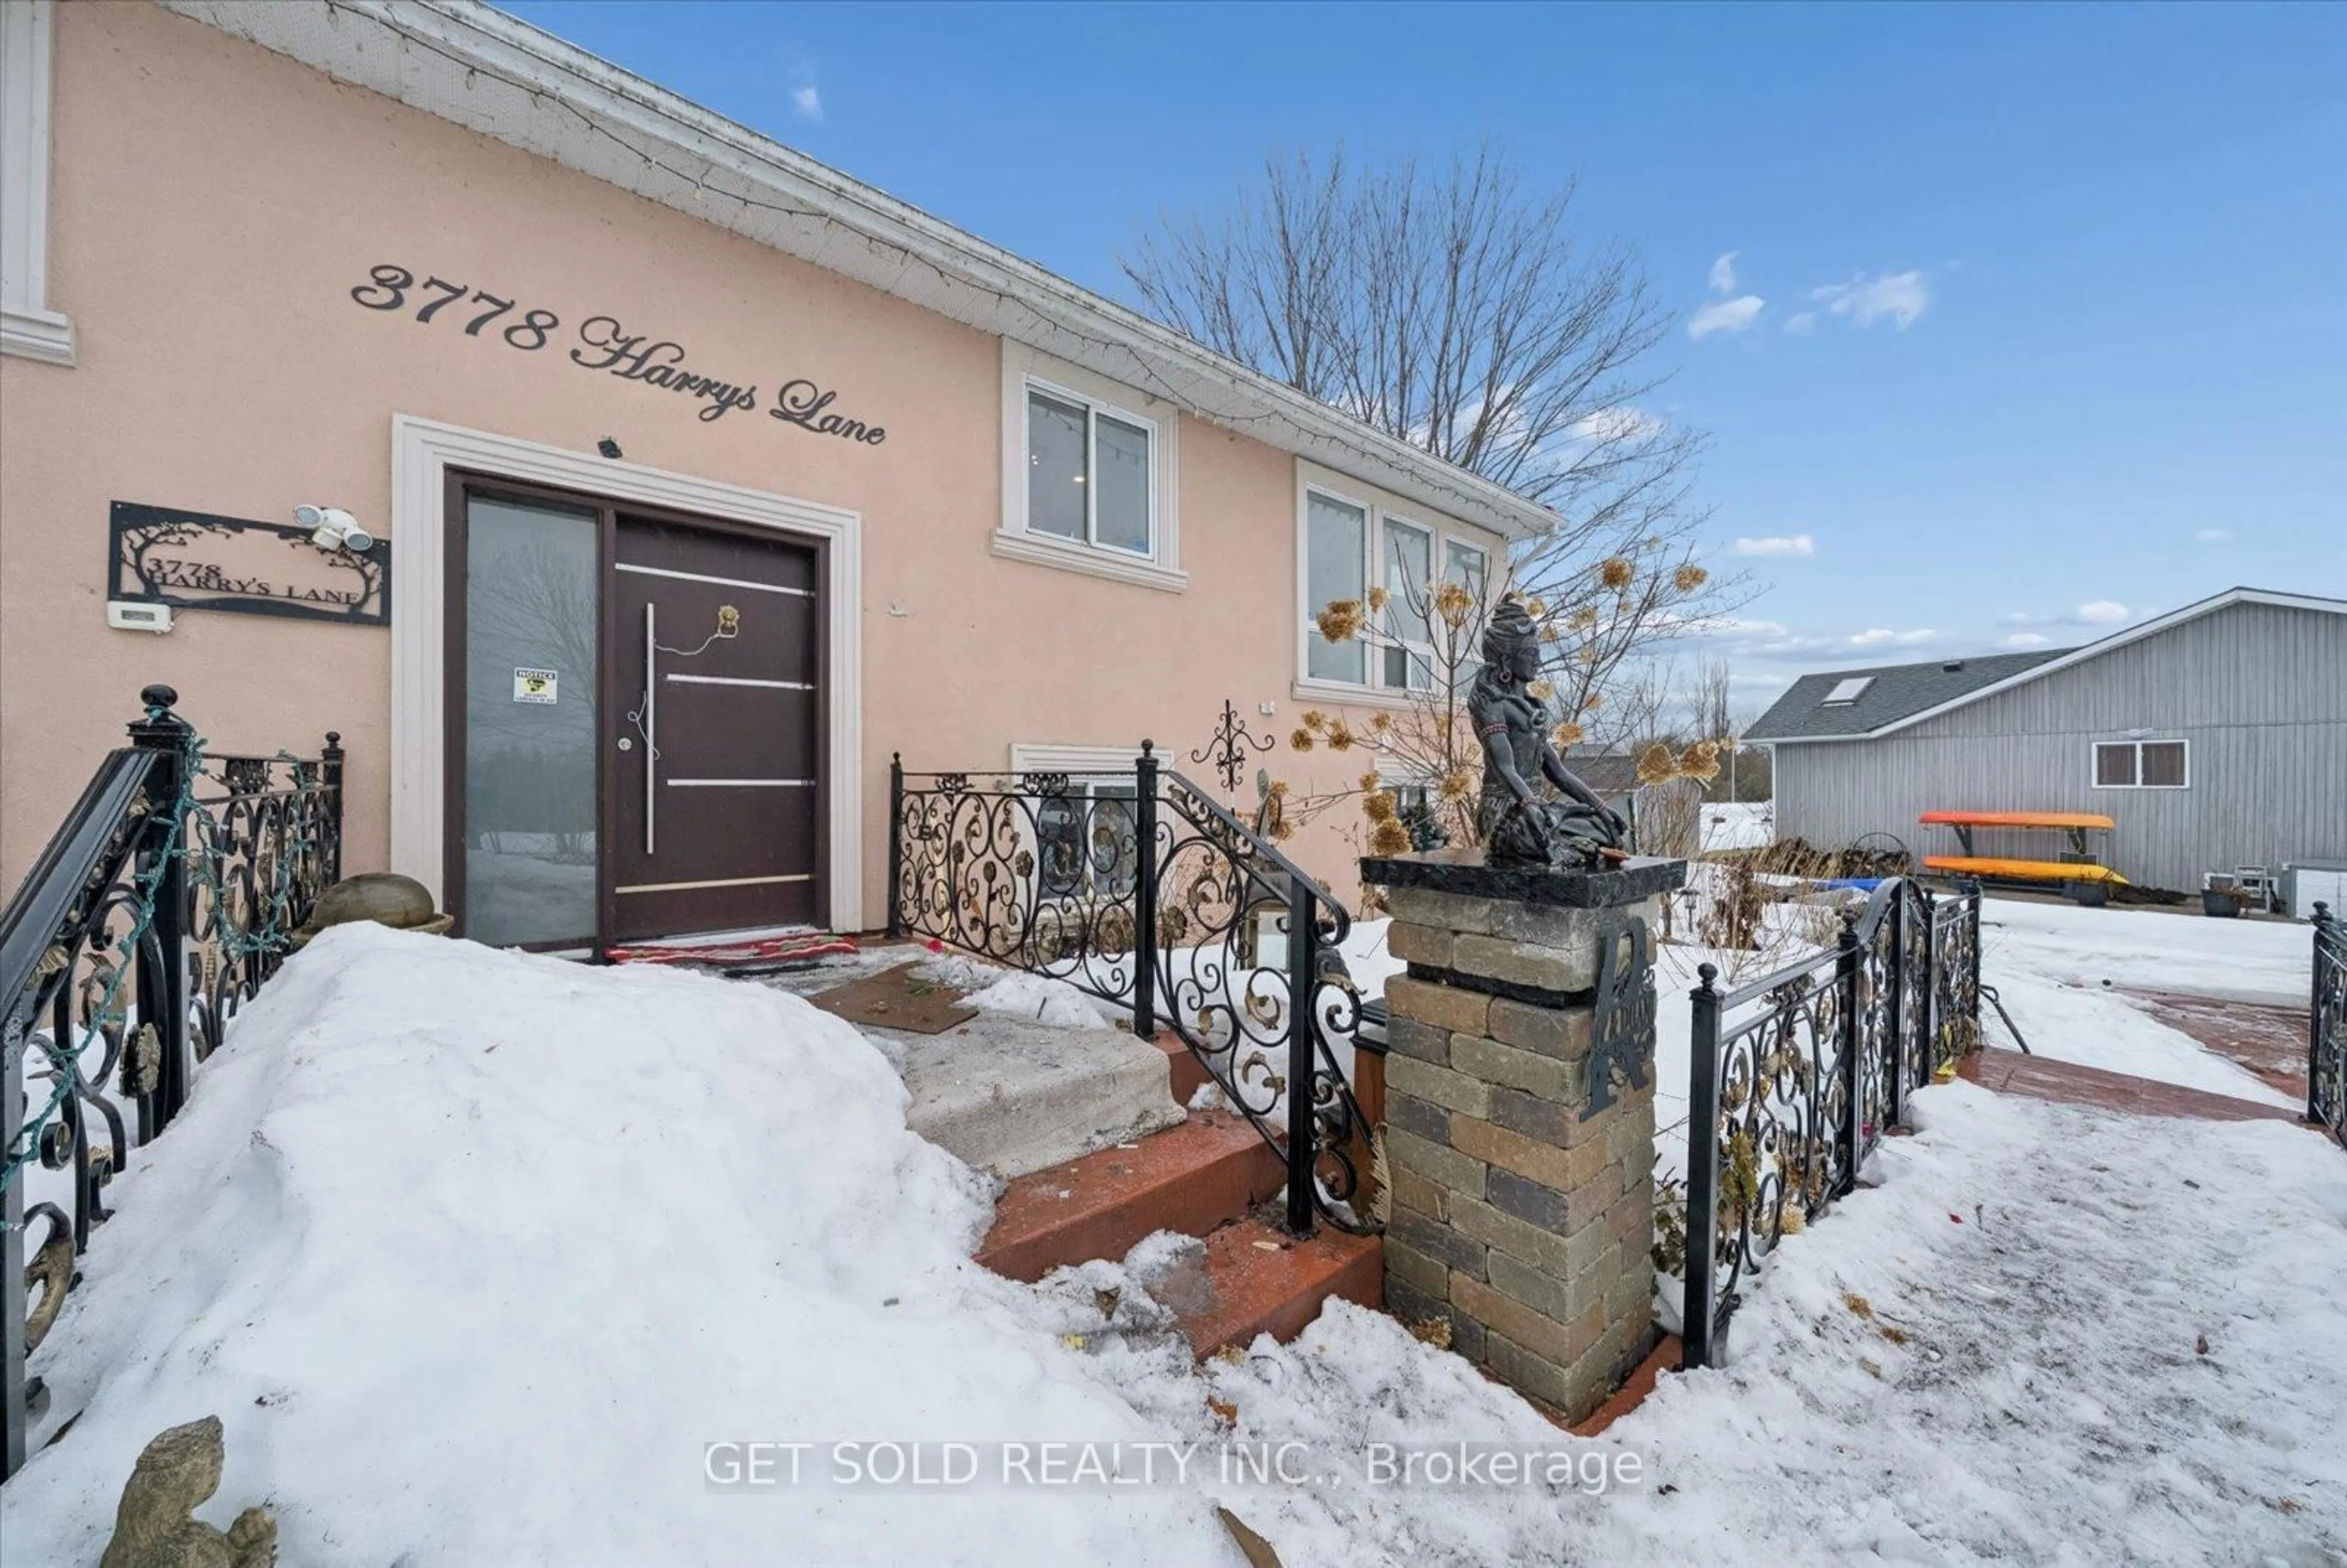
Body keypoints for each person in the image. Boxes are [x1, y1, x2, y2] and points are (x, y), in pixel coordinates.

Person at [1469, 598, 1631, 868]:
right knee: (1535, 837)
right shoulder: (1493, 706)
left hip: (1538, 808)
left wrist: (1601, 807)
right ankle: (1556, 842)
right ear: (1507, 660)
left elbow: (1559, 773)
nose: (1539, 662)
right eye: (1531, 654)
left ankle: (1567, 840)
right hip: (1505, 811)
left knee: (1606, 831)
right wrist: (1529, 804)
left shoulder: (1532, 709)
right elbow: (1505, 767)